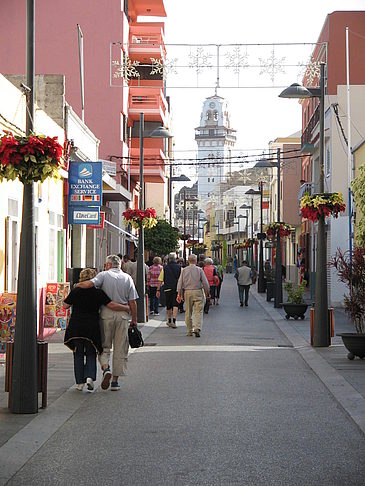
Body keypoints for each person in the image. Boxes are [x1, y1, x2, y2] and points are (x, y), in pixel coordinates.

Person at [76, 255, 138, 391]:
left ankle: (106, 368)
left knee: (104, 346)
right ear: (120, 264)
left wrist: (77, 285)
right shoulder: (127, 278)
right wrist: (134, 320)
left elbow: (89, 284)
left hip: (106, 314)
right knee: (120, 348)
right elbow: (133, 302)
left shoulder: (103, 275)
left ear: (109, 265)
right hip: (123, 315)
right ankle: (115, 381)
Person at [63, 268, 130, 392]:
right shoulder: (98, 293)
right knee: (91, 352)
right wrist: (126, 308)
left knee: (77, 354)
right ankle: (89, 377)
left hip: (76, 327)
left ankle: (79, 383)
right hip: (92, 327)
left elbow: (65, 305)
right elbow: (111, 305)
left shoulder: (76, 291)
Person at [177, 254, 210, 338]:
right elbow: (205, 283)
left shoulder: (184, 270)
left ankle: (189, 330)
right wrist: (207, 292)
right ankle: (197, 327)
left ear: (188, 261)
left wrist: (179, 294)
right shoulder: (199, 270)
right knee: (198, 311)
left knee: (188, 312)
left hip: (187, 292)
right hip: (198, 291)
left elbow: (180, 283)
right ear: (196, 261)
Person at [157, 252, 181, 328]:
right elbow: (182, 279)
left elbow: (160, 279)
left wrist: (158, 290)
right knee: (175, 304)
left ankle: (169, 320)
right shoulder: (180, 267)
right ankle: (174, 320)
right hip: (177, 288)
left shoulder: (165, 268)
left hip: (167, 288)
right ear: (176, 259)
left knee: (169, 305)